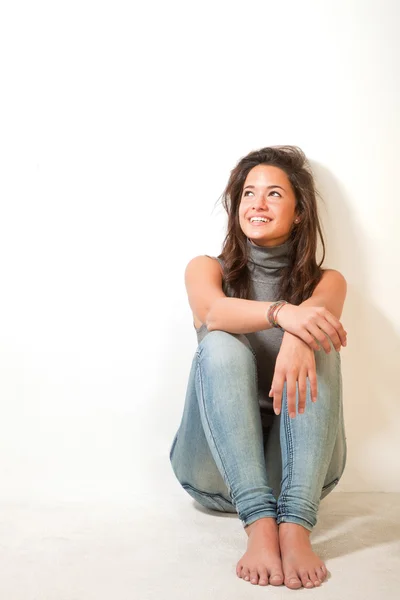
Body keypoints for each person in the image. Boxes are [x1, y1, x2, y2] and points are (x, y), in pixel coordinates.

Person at [169, 145, 348, 590]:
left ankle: (295, 525)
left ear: (300, 211)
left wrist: (300, 332)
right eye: (248, 194)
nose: (257, 204)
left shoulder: (328, 281)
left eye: (273, 194)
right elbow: (212, 312)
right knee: (222, 346)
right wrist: (284, 314)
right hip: (216, 472)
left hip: (297, 475)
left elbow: (320, 317)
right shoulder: (206, 269)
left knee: (317, 339)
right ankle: (259, 523)